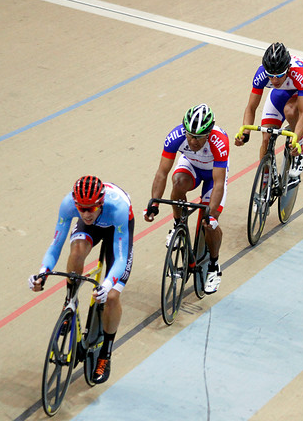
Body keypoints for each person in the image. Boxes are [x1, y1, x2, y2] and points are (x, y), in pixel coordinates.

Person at [28, 175, 134, 385]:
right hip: (94, 229)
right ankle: (70, 301)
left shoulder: (118, 207)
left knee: (111, 296)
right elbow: (56, 245)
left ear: (100, 203)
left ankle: (106, 352)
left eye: (90, 208)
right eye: (81, 208)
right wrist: (43, 272)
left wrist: (107, 283)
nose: (85, 214)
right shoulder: (69, 204)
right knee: (75, 253)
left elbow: (121, 257)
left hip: (118, 228)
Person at [143, 104, 229, 295]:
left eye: (198, 137)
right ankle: (177, 225)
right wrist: (154, 203)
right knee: (177, 182)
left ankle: (214, 266)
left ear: (208, 133)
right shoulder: (176, 137)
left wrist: (212, 215)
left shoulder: (219, 142)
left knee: (209, 223)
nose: (192, 140)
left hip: (212, 176)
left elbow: (219, 183)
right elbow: (161, 173)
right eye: (189, 135)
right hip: (191, 166)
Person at [234, 42, 303, 179]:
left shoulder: (299, 74)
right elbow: (251, 107)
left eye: (279, 75)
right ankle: (265, 182)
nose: (274, 79)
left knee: (290, 110)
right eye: (270, 75)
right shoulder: (261, 75)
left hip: (300, 91)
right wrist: (245, 133)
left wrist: (297, 139)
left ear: (287, 69)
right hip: (280, 93)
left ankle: (299, 151)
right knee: (266, 137)